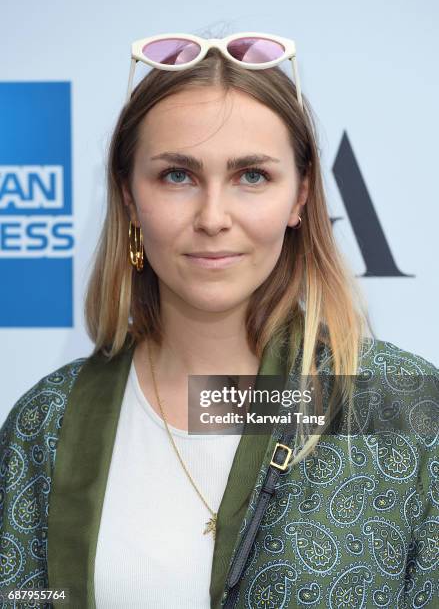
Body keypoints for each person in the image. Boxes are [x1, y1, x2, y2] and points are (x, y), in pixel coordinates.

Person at [1, 32, 438, 609]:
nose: (213, 218)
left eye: (252, 175)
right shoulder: (47, 423)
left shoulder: (398, 405)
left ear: (301, 195)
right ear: (130, 197)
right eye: (177, 176)